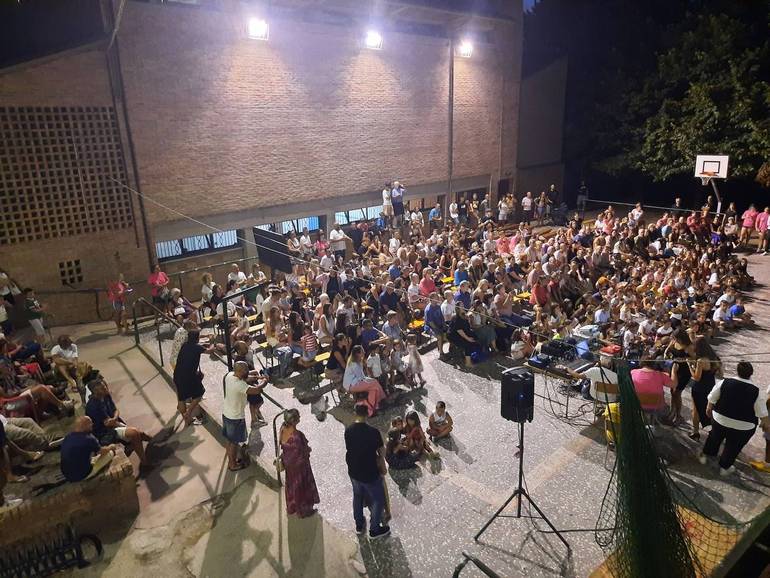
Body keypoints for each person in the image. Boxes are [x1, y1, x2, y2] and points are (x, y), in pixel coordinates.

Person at [700, 362, 770, 476]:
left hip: (720, 420)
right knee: (733, 446)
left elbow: (711, 398)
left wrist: (708, 409)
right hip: (743, 427)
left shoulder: (724, 382)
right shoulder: (757, 391)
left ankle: (707, 454)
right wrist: (766, 425)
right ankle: (724, 466)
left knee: (714, 437)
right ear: (751, 374)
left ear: (737, 371)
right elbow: (762, 413)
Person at [344, 403, 390, 539]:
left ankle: (359, 525)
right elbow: (381, 452)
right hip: (370, 472)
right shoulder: (373, 432)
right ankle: (375, 529)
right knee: (377, 499)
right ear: (367, 414)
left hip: (353, 471)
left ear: (355, 413)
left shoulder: (348, 430)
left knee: (357, 496)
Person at [86, 379, 152, 469]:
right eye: (103, 388)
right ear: (95, 391)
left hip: (114, 423)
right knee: (135, 433)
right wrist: (120, 423)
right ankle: (145, 463)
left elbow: (115, 410)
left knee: (141, 435)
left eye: (105, 386)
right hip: (105, 433)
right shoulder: (93, 406)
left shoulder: (106, 395)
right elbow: (108, 424)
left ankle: (144, 443)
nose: (106, 388)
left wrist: (115, 418)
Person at [222, 362, 267, 471]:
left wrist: (256, 377)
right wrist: (265, 381)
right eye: (245, 371)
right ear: (240, 371)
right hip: (235, 417)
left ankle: (231, 460)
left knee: (229, 440)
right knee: (234, 442)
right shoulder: (239, 385)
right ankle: (232, 465)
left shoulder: (230, 375)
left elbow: (245, 379)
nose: (247, 372)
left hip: (227, 413)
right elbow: (256, 390)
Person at [279, 408, 319, 517]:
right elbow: (302, 452)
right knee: (301, 487)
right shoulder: (297, 436)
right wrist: (308, 450)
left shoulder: (283, 429)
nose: (300, 418)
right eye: (298, 417)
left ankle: (292, 506)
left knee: (291, 485)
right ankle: (303, 510)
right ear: (294, 421)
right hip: (299, 466)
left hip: (288, 464)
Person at [173, 330, 214, 426]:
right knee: (200, 393)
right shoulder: (197, 347)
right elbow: (210, 351)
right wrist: (212, 342)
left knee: (181, 398)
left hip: (178, 375)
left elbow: (198, 347)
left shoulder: (185, 345)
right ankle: (188, 412)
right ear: (197, 338)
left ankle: (187, 420)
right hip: (188, 376)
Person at [60, 416, 116, 483]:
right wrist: (110, 447)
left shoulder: (68, 437)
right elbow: (102, 452)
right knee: (110, 452)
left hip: (67, 474)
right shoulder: (89, 438)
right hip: (81, 475)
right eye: (90, 423)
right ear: (85, 426)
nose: (92, 424)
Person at [686, 337, 720, 440]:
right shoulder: (715, 357)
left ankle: (696, 432)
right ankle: (712, 430)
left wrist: (690, 366)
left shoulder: (701, 360)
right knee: (709, 409)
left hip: (699, 389)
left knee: (696, 411)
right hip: (711, 386)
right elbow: (720, 372)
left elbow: (696, 378)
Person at [343, 345, 386, 417]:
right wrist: (370, 380)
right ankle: (381, 400)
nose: (364, 352)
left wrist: (369, 380)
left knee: (373, 388)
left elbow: (362, 377)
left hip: (356, 382)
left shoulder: (358, 361)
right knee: (374, 383)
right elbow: (361, 378)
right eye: (362, 351)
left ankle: (373, 408)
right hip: (352, 385)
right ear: (358, 354)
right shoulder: (354, 364)